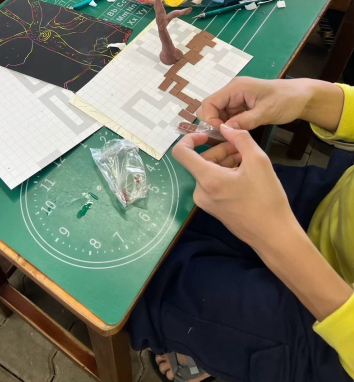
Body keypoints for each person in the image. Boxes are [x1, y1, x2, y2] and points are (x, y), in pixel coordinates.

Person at [128, 77, 354, 382]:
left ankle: (198, 346)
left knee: (147, 282)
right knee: (178, 211)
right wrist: (311, 97)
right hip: (333, 202)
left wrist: (275, 237)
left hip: (333, 338)